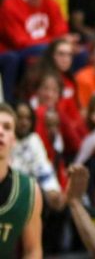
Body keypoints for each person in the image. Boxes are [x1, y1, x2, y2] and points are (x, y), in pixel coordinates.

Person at [0, 102, 42, 258]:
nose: (0, 131)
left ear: (13, 139)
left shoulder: (29, 190)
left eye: (7, 127)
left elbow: (33, 251)